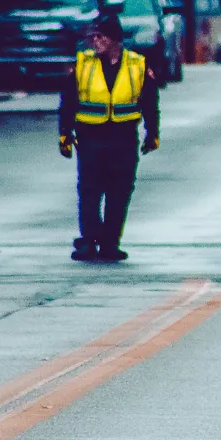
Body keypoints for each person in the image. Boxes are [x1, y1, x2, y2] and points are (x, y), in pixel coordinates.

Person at [59, 14, 160, 262]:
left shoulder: (137, 65)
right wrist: (64, 134)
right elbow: (68, 102)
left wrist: (152, 133)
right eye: (92, 36)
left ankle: (110, 243)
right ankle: (89, 241)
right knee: (90, 191)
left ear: (115, 39)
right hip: (90, 138)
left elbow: (149, 102)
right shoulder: (82, 64)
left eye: (100, 36)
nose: (94, 41)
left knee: (119, 193)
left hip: (124, 140)